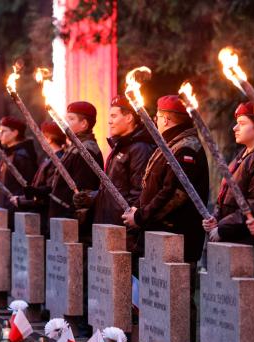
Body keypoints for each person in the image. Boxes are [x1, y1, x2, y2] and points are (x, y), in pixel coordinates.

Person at [201, 102, 254, 342]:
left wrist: (223, 228)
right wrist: (215, 219)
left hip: (252, 250)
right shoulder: (243, 155)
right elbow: (227, 197)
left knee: (249, 315)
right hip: (234, 244)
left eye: (243, 123)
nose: (235, 127)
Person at [121, 95, 209, 264]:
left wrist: (141, 217)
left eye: (158, 117)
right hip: (159, 234)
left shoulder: (186, 149)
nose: (155, 120)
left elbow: (173, 194)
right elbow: (151, 186)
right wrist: (137, 208)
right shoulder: (169, 144)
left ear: (167, 120)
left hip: (175, 237)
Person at [74, 95, 155, 260]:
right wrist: (92, 197)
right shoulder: (120, 146)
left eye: (114, 116)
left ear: (129, 117)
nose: (109, 121)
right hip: (108, 227)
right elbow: (114, 189)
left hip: (122, 232)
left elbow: (138, 194)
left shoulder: (139, 148)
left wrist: (128, 229)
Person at [50, 101, 103, 243]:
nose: (65, 122)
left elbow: (83, 191)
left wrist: (69, 214)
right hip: (61, 217)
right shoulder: (74, 147)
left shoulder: (87, 150)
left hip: (71, 222)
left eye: (71, 119)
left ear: (84, 124)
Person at [13, 121, 66, 235]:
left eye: (42, 136)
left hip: (46, 216)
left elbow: (49, 191)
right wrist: (22, 198)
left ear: (49, 139)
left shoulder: (58, 160)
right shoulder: (49, 159)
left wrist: (22, 201)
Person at [0, 116, 37, 226]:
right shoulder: (8, 154)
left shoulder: (22, 156)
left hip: (15, 212)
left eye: (3, 131)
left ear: (15, 133)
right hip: (4, 210)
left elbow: (27, 186)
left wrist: (16, 203)